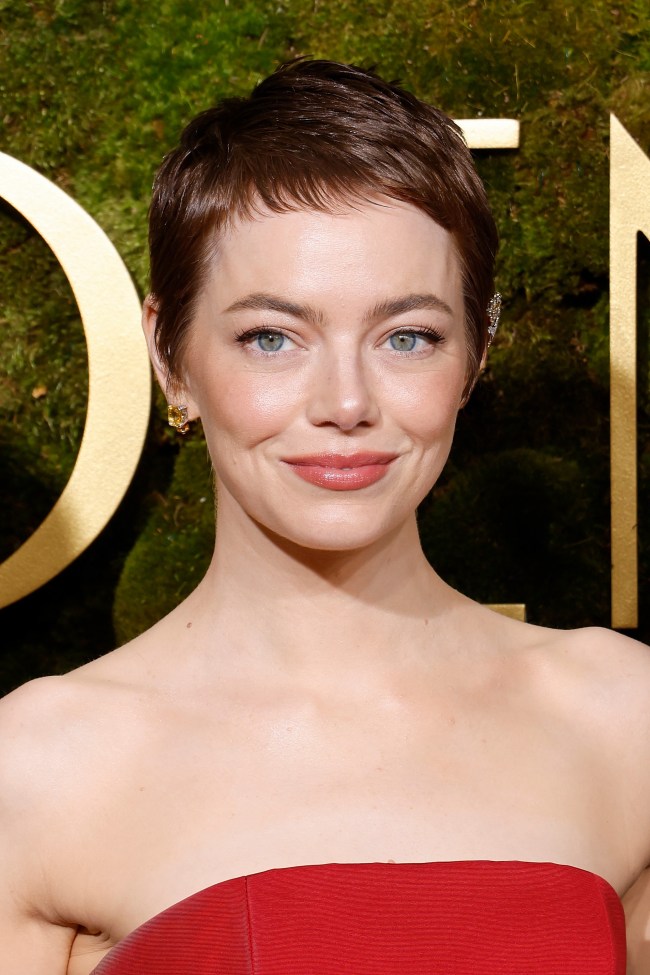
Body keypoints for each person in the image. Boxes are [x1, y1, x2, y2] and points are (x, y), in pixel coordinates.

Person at [1, 58, 649, 975]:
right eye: (271, 337)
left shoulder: (624, 719)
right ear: (170, 355)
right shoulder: (36, 768)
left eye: (407, 336)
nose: (346, 403)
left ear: (476, 351)